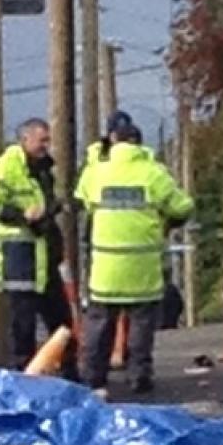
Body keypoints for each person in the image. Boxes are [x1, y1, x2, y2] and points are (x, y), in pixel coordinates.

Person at [77, 120, 194, 396]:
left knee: (100, 324)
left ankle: (95, 378)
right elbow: (183, 206)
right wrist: (166, 222)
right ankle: (138, 374)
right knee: (141, 325)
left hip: (106, 267)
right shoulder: (153, 173)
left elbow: (82, 198)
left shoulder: (97, 173)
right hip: (142, 265)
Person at [0, 118, 79, 379]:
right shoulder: (7, 166)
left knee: (61, 320)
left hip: (44, 254)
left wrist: (54, 208)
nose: (46, 146)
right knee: (22, 325)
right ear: (25, 139)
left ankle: (70, 372)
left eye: (48, 140)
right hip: (20, 259)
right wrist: (24, 215)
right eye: (41, 140)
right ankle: (22, 377)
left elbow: (48, 202)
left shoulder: (44, 168)